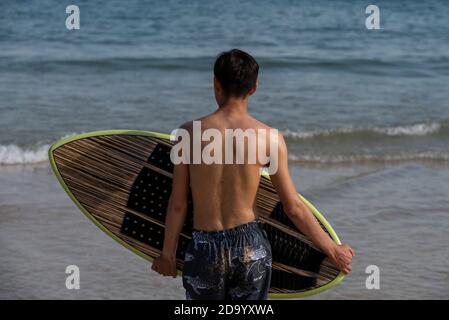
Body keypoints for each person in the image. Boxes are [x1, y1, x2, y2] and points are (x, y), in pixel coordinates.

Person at [151, 49, 354, 300]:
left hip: (204, 246)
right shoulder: (270, 138)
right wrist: (332, 249)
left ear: (215, 83)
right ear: (254, 88)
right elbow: (293, 207)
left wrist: (168, 255)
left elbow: (178, 203)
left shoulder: (187, 134)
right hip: (249, 246)